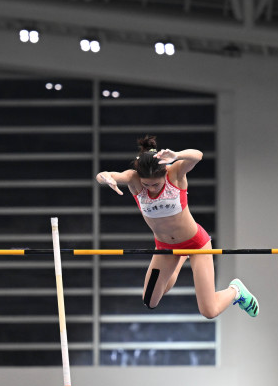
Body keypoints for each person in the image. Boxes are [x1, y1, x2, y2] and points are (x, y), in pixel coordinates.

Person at [95, 135, 259, 319]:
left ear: (164, 173)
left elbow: (197, 155)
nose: (151, 188)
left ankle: (236, 290)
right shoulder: (133, 179)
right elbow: (104, 175)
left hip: (196, 244)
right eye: (146, 184)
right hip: (165, 247)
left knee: (209, 311)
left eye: (156, 184)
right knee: (150, 301)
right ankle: (180, 258)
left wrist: (177, 155)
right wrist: (106, 178)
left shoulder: (174, 173)